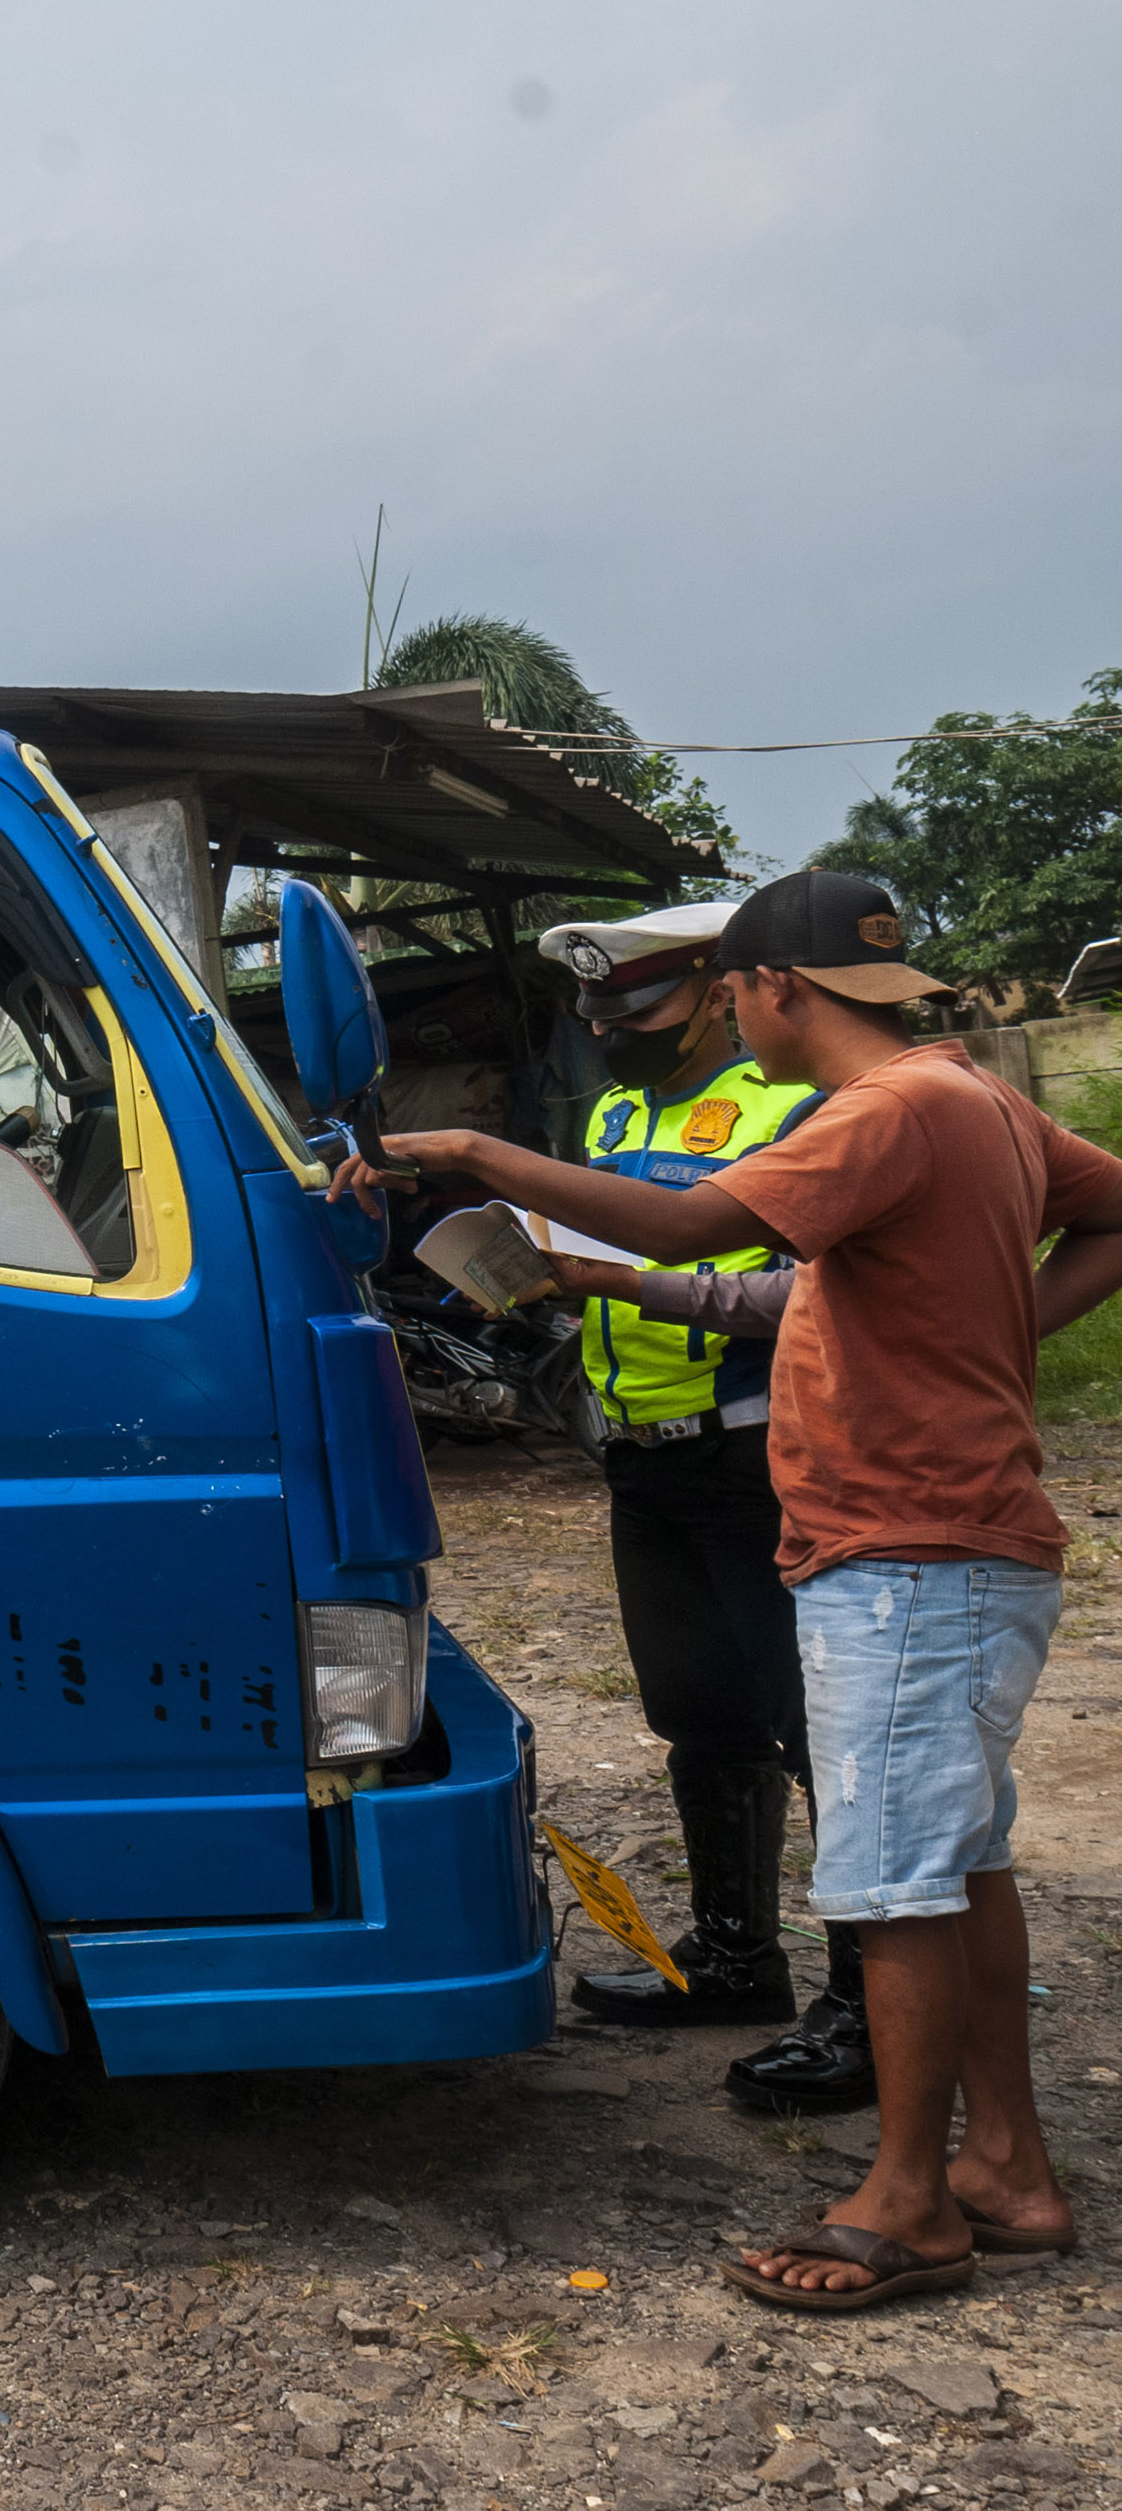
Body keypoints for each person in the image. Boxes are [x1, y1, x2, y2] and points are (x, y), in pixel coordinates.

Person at [337, 869, 1122, 2312]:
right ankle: (1003, 2166)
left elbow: (700, 1230)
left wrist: (467, 1151)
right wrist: (571, 1274)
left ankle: (907, 2201)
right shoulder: (977, 1101)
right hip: (957, 1544)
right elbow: (780, 1290)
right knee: (963, 1861)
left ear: (769, 989)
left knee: (891, 1879)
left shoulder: (879, 1112)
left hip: (905, 1554)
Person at [520, 903, 869, 2111]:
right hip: (643, 1457)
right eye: (597, 1017)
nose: (612, 1036)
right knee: (699, 1714)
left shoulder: (797, 1110)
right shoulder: (614, 1115)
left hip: (760, 1452)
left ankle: (867, 2010)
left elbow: (801, 1286)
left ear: (720, 995)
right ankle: (732, 1959)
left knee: (818, 1735)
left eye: (638, 1014)